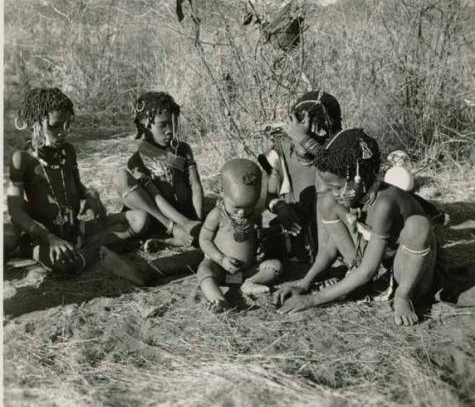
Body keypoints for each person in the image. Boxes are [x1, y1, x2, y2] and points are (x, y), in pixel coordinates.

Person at [274, 128, 437, 327]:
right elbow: (328, 248)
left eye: (336, 187)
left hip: (409, 269)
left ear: (358, 179)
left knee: (418, 225)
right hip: (375, 263)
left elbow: (367, 270)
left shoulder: (384, 203)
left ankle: (403, 295)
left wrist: (313, 300)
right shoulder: (353, 195)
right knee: (327, 203)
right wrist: (305, 282)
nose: (334, 193)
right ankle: (361, 283)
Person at [6, 87, 149, 273]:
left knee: (140, 218)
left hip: (76, 228)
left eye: (66, 125)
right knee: (66, 264)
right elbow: (14, 209)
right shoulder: (22, 159)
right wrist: (49, 238)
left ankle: (83, 251)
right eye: (55, 126)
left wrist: (90, 194)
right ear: (35, 123)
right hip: (43, 235)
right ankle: (31, 249)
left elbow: (77, 187)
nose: (62, 133)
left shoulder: (68, 152)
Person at [258, 90, 342, 264]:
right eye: (299, 126)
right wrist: (280, 206)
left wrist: (303, 139)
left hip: (332, 224)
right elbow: (268, 195)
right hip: (296, 226)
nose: (302, 138)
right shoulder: (280, 150)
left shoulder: (338, 149)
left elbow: (337, 170)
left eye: (310, 132)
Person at [114, 91, 204, 248]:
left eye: (172, 123)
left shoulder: (182, 149)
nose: (170, 130)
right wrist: (186, 223)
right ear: (145, 125)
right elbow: (156, 197)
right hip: (163, 218)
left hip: (186, 212)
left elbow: (196, 186)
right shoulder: (137, 161)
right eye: (163, 125)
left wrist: (198, 220)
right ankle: (167, 239)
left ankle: (172, 239)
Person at [197, 159, 283, 313]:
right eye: (236, 207)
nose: (242, 213)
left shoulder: (254, 214)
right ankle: (219, 300)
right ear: (223, 193)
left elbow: (255, 237)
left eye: (248, 207)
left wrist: (259, 245)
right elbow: (204, 240)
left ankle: (249, 284)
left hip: (244, 272)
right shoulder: (217, 215)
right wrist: (221, 259)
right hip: (221, 270)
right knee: (204, 270)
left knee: (275, 265)